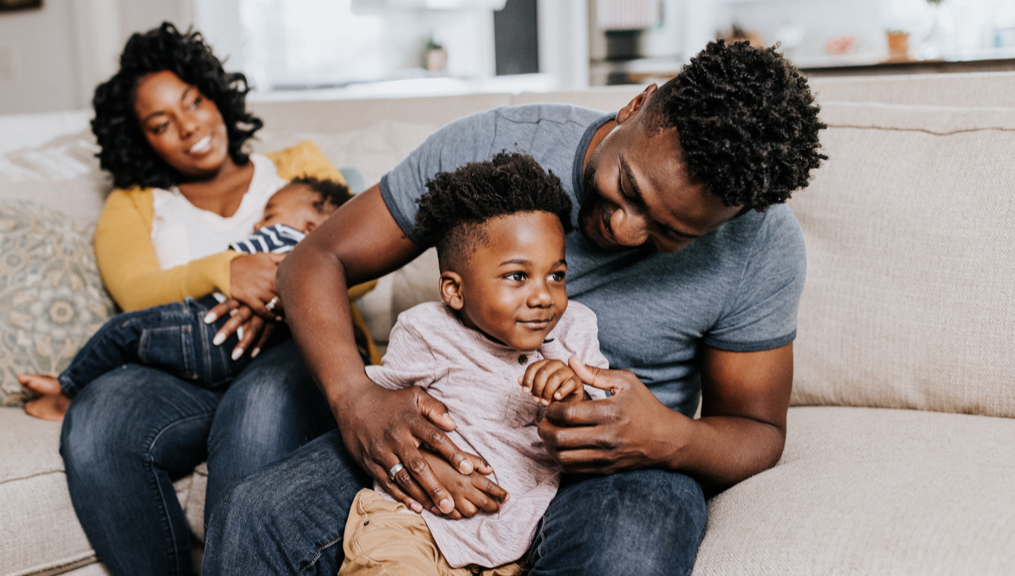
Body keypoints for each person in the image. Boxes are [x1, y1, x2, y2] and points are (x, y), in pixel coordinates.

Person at [203, 40, 826, 576]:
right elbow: (316, 258)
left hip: (619, 464)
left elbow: (758, 432)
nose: (626, 230)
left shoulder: (761, 245)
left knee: (629, 547)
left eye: (671, 234)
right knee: (258, 514)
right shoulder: (497, 147)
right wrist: (354, 396)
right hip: (459, 423)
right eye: (628, 189)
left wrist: (671, 438)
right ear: (636, 104)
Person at [54, 23, 376, 576]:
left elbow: (362, 257)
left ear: (214, 94)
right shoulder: (134, 204)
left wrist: (271, 293)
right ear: (141, 139)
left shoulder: (297, 162)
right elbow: (135, 292)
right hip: (189, 368)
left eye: (193, 101)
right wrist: (227, 271)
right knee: (94, 418)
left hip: (295, 348)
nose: (189, 127)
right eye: (160, 123)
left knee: (258, 406)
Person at [339, 152, 608, 576]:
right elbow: (379, 414)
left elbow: (602, 434)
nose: (544, 296)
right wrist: (435, 467)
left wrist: (574, 397)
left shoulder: (575, 330)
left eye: (556, 275)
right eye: (517, 276)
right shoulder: (427, 330)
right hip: (414, 523)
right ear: (455, 291)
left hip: (516, 537)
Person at [18, 177, 375, 421]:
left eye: (268, 215)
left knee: (125, 331)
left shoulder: (281, 239)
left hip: (207, 329)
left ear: (310, 227)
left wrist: (240, 270)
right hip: (241, 353)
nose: (257, 225)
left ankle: (68, 386)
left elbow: (361, 257)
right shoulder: (310, 254)